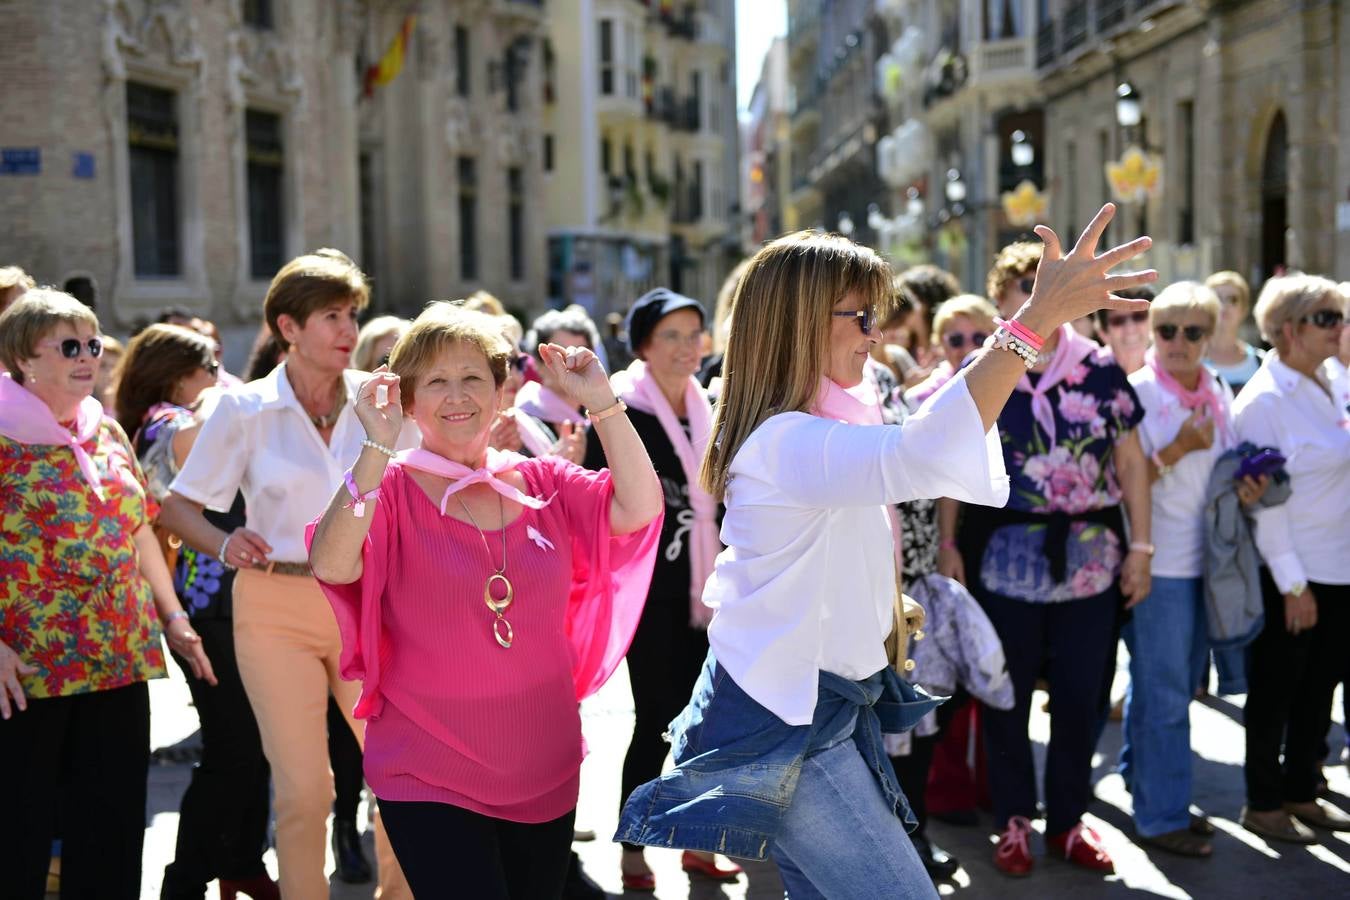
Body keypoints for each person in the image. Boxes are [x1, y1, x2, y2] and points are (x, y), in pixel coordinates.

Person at [616, 204, 1155, 898]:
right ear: (802, 323)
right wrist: (1031, 323)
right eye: (860, 318)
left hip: (810, 716)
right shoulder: (786, 440)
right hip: (793, 730)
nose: (875, 337)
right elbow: (926, 451)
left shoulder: (808, 425)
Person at [304, 303, 663, 897]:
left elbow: (640, 507)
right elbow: (333, 563)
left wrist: (603, 401)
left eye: (473, 378)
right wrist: (376, 446)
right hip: (427, 769)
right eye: (435, 381)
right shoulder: (387, 489)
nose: (456, 396)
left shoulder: (545, 482)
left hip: (545, 765)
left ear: (503, 393)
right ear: (408, 400)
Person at [159, 249, 408, 900]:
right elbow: (178, 506)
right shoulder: (243, 409)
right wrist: (221, 540)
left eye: (353, 313)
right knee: (305, 790)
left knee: (399, 778)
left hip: (369, 599)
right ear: (288, 328)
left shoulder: (380, 402)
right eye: (331, 315)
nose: (349, 329)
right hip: (274, 603)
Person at [943, 238, 1152, 878]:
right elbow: (949, 457)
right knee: (1003, 693)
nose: (1039, 307)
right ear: (1008, 301)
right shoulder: (988, 368)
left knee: (1083, 695)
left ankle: (1065, 821)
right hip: (1005, 556)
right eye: (1026, 295)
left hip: (1092, 558)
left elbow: (1131, 462)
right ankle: (1013, 819)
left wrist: (1141, 547)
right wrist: (950, 544)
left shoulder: (1101, 371)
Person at [0, 290, 216, 899]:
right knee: (19, 833)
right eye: (69, 345)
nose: (87, 357)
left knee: (113, 831)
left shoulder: (105, 427)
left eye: (92, 344)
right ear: (23, 358)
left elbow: (140, 525)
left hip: (117, 655)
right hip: (29, 667)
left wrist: (172, 615)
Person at [112, 324, 280, 900]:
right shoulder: (163, 422)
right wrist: (223, 398)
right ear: (175, 375)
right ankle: (184, 881)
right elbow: (193, 446)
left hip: (238, 600)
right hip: (205, 608)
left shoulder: (193, 412)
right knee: (234, 746)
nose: (219, 374)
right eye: (209, 366)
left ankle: (241, 862)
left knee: (255, 743)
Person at [580, 289, 740, 891]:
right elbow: (606, 502)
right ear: (644, 345)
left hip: (717, 589)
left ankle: (699, 842)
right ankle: (631, 846)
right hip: (649, 593)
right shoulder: (623, 412)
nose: (686, 347)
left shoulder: (713, 408)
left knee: (712, 724)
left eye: (694, 333)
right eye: (670, 335)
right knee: (656, 721)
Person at [1119, 282, 1267, 858]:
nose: (1177, 342)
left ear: (1212, 336)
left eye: (1192, 331)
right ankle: (1160, 817)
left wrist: (1248, 484)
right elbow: (1121, 486)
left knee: (1165, 687)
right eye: (1166, 329)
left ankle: (1149, 787)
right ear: (1152, 332)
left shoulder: (1215, 392)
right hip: (1159, 563)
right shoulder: (1136, 393)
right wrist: (1176, 449)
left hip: (1207, 563)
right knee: (1166, 693)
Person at [1233, 274, 1350, 843]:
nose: (1339, 329)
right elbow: (1266, 502)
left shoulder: (1333, 378)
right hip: (1292, 570)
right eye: (1326, 318)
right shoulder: (1263, 401)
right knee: (1277, 690)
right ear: (1287, 330)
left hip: (1340, 564)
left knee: (1320, 686)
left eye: (1340, 317)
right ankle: (1263, 801)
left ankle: (1303, 789)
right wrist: (1293, 584)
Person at [904, 294, 998, 408]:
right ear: (940, 344)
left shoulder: (1016, 386)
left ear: (994, 338)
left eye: (979, 338)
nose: (968, 349)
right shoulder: (919, 401)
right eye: (956, 340)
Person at [1204, 271, 1266, 392]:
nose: (1224, 305)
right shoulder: (1190, 359)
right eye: (1217, 298)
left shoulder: (1261, 362)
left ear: (1244, 309)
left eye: (1232, 299)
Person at [1092, 285, 1156, 375]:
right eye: (1118, 321)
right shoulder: (1087, 375)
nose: (1130, 328)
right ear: (1103, 333)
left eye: (1139, 316)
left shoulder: (1173, 370)